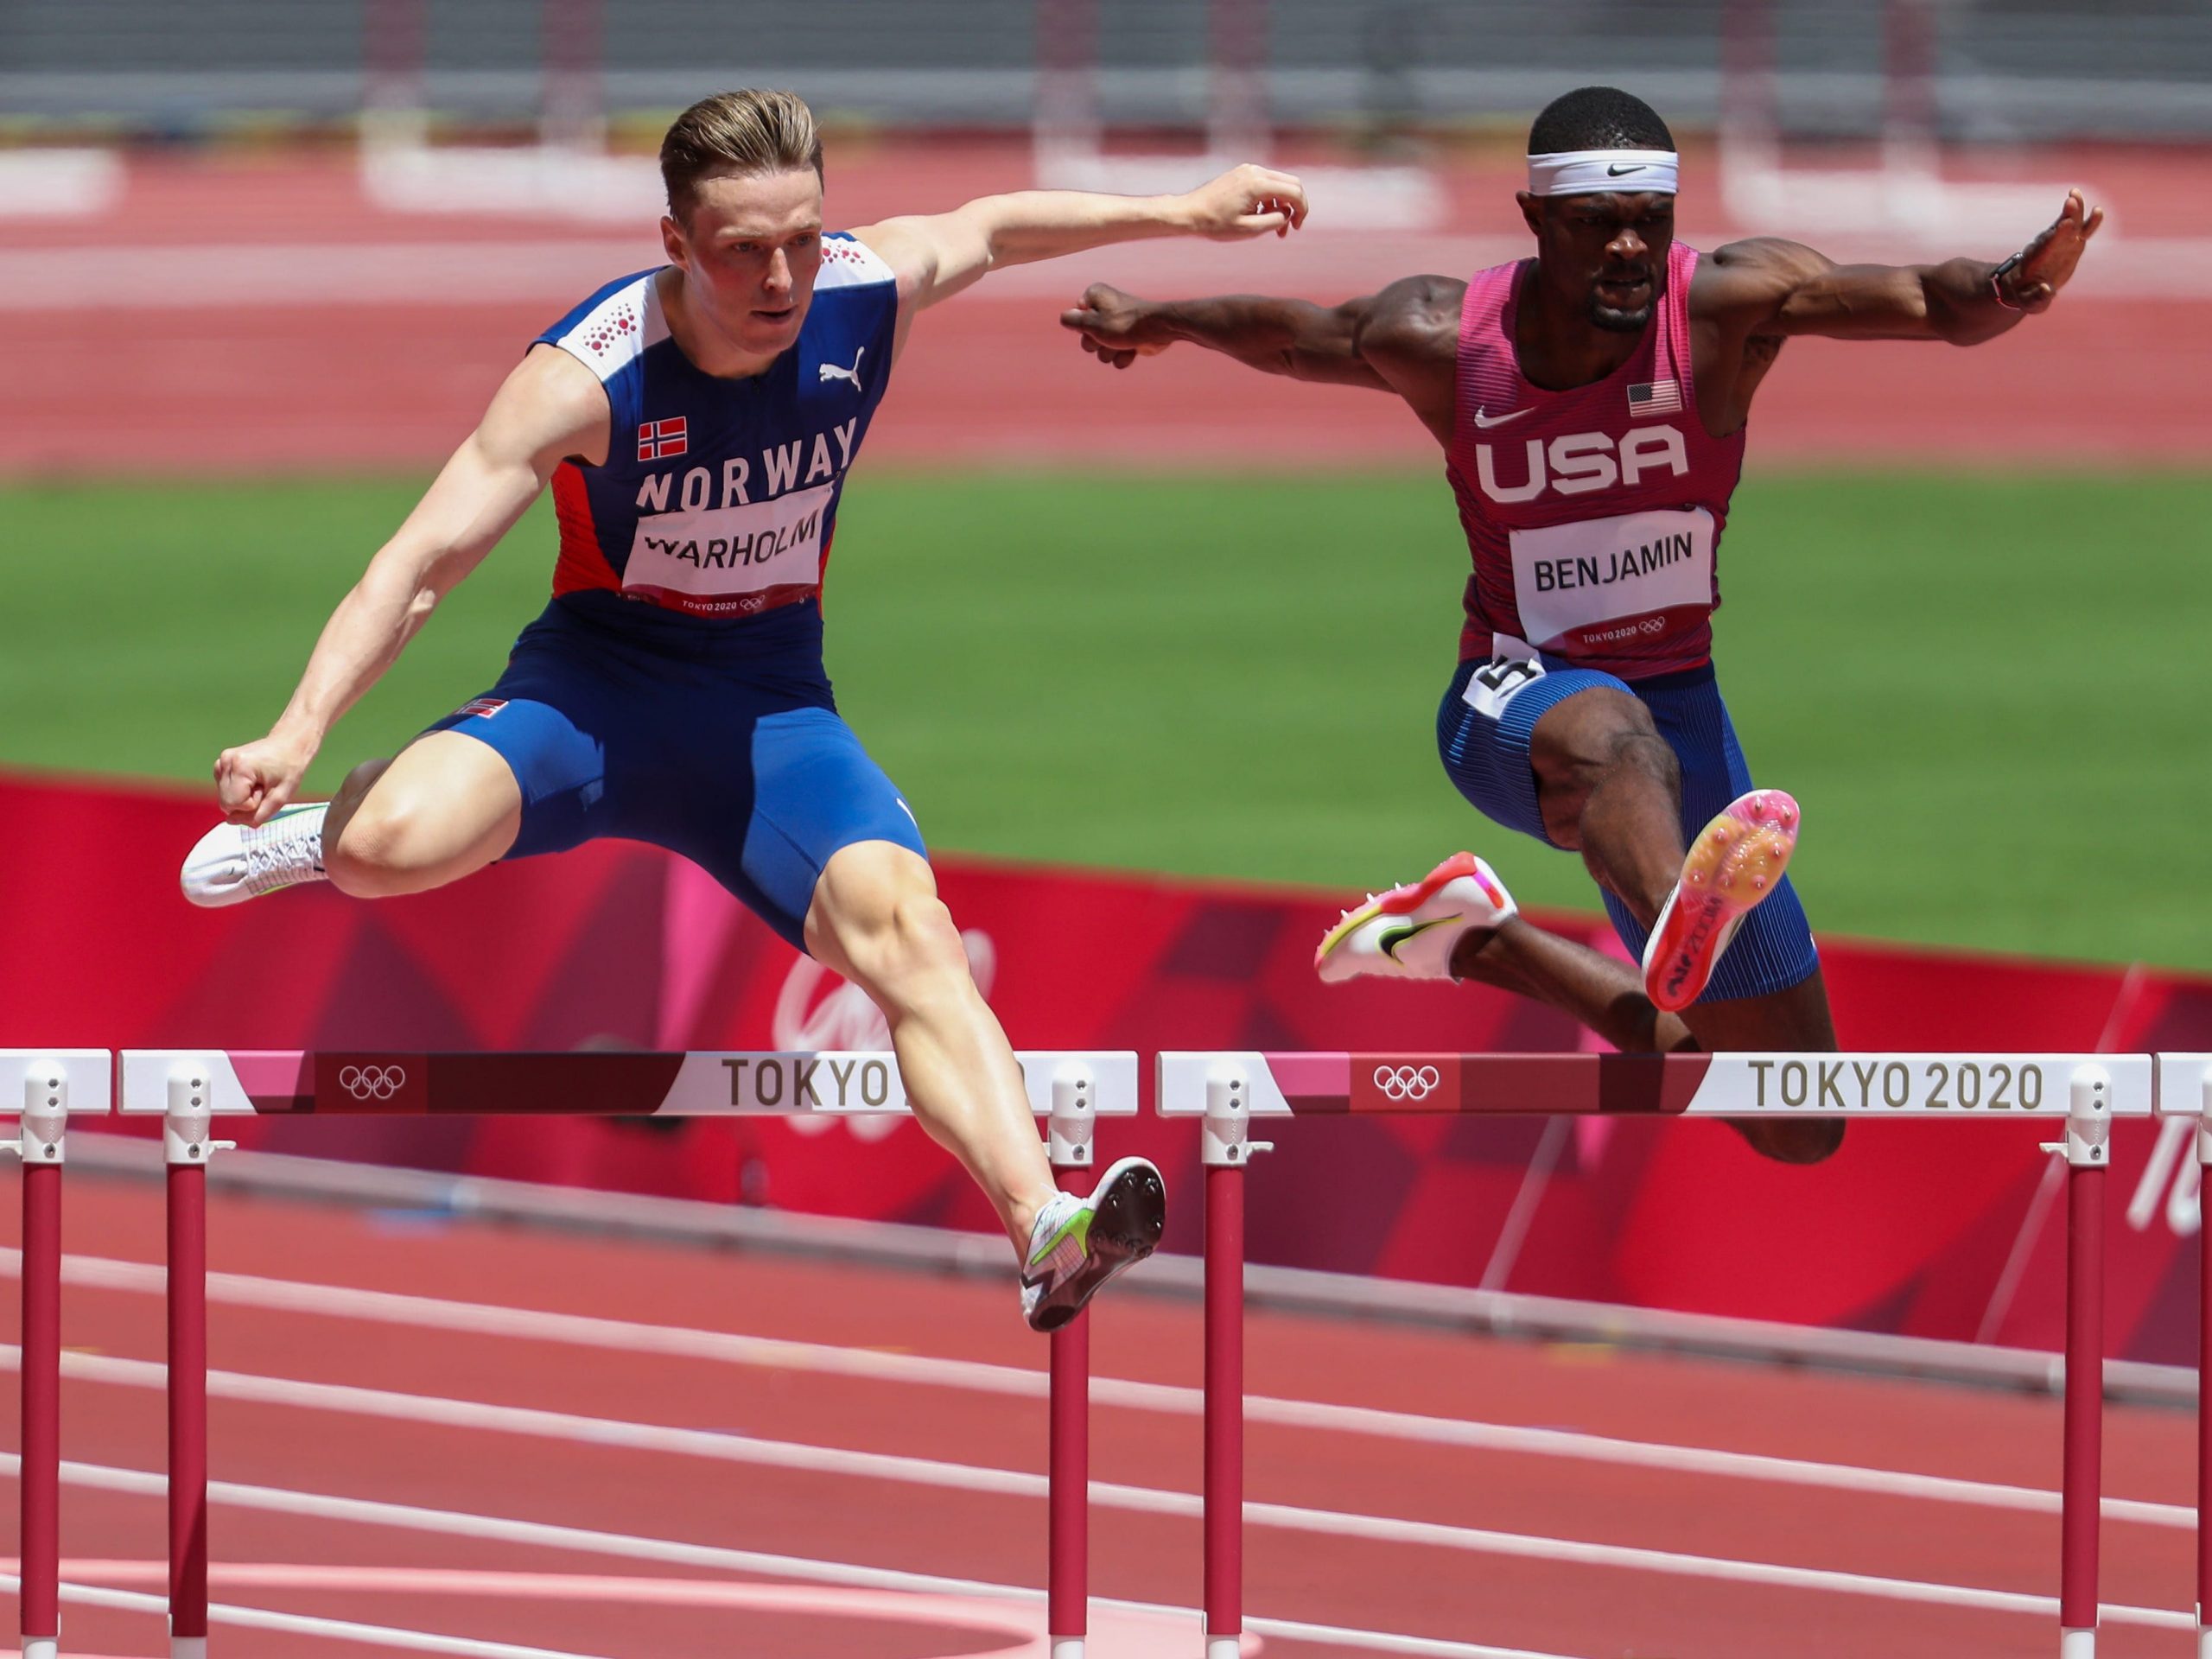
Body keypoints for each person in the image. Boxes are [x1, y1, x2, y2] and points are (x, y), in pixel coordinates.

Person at [180, 88, 1311, 1327]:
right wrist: (299, 731)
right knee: (386, 849)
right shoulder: (585, 376)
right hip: (594, 694)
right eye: (741, 250)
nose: (781, 278)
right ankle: (323, 832)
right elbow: (418, 568)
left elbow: (989, 227)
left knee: (910, 933)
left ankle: (1044, 1225)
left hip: (769, 712)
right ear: (675, 244)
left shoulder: (858, 291)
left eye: (802, 239)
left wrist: (1185, 211)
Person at [1062, 85, 2100, 1163]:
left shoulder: (1723, 308)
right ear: (1533, 220)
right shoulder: (1440, 336)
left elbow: (1934, 304)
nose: (1624, 249)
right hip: (1513, 699)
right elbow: (1290, 335)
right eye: (1593, 225)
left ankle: (1479, 939)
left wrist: (2015, 281)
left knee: (1796, 1115)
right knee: (1612, 740)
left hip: (1680, 709)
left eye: (1646, 223)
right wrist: (1157, 322)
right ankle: (1675, 921)